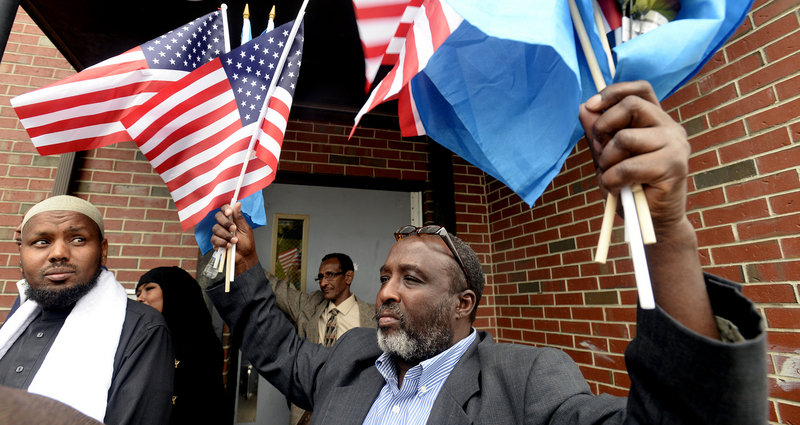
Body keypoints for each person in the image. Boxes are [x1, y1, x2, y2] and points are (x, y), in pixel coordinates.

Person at [206, 81, 768, 424]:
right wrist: (249, 267)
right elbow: (274, 343)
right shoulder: (351, 358)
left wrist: (666, 234)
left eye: (412, 279)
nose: (385, 292)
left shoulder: (525, 382)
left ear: (463, 303)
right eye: (385, 276)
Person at [0, 195, 174, 425]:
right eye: (42, 242)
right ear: (21, 254)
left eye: (78, 239)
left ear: (103, 251)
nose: (58, 253)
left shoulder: (141, 328)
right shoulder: (14, 326)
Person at [266, 253, 375, 424]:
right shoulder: (310, 305)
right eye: (320, 277)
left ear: (348, 276)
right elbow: (277, 288)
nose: (323, 283)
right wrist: (245, 259)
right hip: (307, 411)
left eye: (330, 275)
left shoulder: (372, 318)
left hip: (349, 409)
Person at [136, 266, 227, 425]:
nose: (140, 298)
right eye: (138, 293)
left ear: (174, 291)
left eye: (149, 289)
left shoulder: (203, 346)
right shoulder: (140, 342)